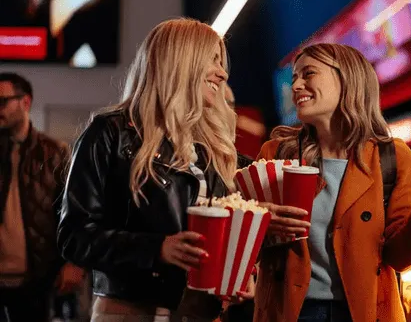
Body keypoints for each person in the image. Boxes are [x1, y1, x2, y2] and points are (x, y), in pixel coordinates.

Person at [57, 18, 253, 322]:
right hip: (130, 312)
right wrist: (156, 249)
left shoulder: (215, 149)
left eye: (221, 61)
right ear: (180, 60)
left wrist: (242, 271)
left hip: (202, 313)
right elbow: (74, 236)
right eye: (212, 60)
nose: (222, 72)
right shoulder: (110, 133)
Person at [254, 44, 411, 322]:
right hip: (289, 312)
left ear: (346, 79)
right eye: (294, 78)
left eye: (308, 74)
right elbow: (249, 245)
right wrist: (263, 224)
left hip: (364, 313)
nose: (297, 85)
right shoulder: (275, 155)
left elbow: (399, 257)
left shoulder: (393, 157)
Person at [0, 72, 85, 321]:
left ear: (26, 102)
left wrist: (74, 262)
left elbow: (75, 212)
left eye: (3, 101)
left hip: (35, 278)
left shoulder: (53, 153)